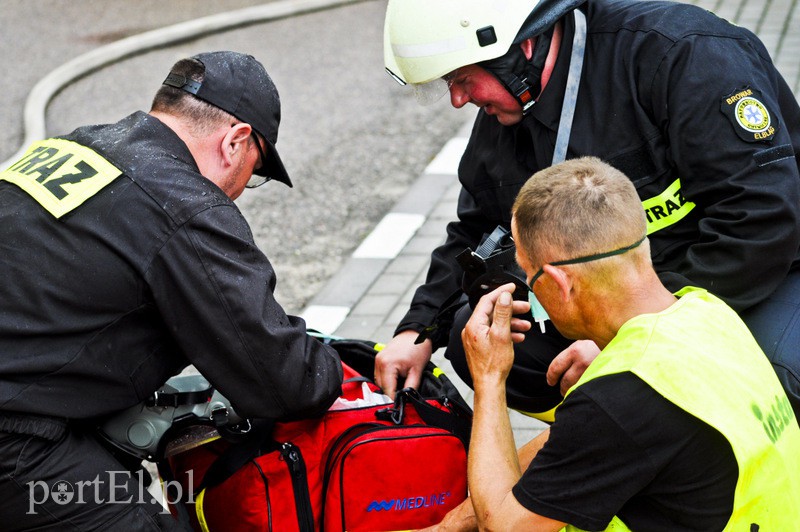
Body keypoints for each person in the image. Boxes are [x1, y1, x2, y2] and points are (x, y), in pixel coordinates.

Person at [377, 0, 800, 422]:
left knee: (780, 373)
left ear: (520, 50)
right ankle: (621, 445)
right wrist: (417, 330)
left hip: (755, 269)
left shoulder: (681, 54)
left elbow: (760, 218)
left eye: (464, 78)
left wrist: (634, 335)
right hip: (623, 291)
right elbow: (480, 231)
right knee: (477, 335)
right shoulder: (510, 115)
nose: (457, 99)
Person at [0, 51, 344, 530]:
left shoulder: (73, 147)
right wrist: (335, 366)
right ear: (236, 141)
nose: (244, 188)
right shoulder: (183, 204)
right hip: (16, 441)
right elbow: (285, 381)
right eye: (257, 170)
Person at [446, 157, 800, 530]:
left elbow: (502, 526)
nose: (528, 289)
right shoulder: (705, 309)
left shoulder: (620, 399)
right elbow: (584, 439)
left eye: (527, 274)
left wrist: (489, 378)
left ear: (560, 282)